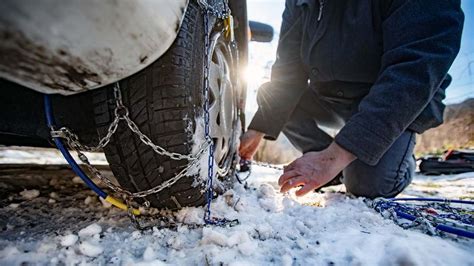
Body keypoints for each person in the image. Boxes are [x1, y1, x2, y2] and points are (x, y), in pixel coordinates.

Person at [239, 0, 464, 198]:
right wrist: (260, 126)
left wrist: (334, 157)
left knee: (368, 184)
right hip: (331, 98)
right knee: (270, 94)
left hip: (394, 99)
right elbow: (288, 71)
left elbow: (416, 68)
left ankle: (397, 158)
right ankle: (328, 161)